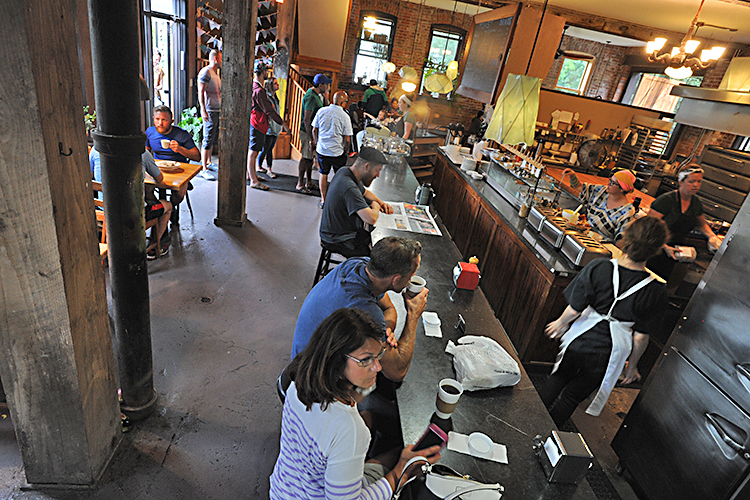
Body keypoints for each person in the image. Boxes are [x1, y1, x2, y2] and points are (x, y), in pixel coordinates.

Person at [271, 308, 440, 499]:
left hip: (284, 489)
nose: (378, 366)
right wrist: (401, 472)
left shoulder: (301, 379)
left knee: (378, 430)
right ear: (336, 361)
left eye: (378, 355)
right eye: (366, 360)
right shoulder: (349, 429)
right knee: (405, 469)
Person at [289, 236, 427, 455]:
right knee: (393, 423)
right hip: (310, 380)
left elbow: (388, 309)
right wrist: (413, 315)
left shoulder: (359, 265)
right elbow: (397, 371)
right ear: (396, 279)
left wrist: (384, 331)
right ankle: (362, 453)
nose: (414, 279)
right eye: (412, 274)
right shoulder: (363, 305)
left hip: (303, 360)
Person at [539, 216, 670, 427]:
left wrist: (560, 323)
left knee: (558, 378)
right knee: (572, 397)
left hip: (580, 340)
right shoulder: (656, 290)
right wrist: (631, 367)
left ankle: (531, 419)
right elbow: (640, 338)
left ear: (626, 239)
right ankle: (547, 433)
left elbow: (574, 309)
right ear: (656, 249)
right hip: (609, 354)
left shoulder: (599, 267)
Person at [90, 148, 173, 259]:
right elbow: (159, 179)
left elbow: (91, 174)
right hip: (133, 216)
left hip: (103, 212)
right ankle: (153, 248)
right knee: (168, 206)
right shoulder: (141, 152)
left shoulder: (96, 150)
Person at [646, 163, 722, 282]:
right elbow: (648, 227)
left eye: (699, 181)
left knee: (660, 283)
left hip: (675, 250)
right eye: (691, 181)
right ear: (681, 181)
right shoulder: (665, 200)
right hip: (654, 248)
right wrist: (665, 247)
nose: (696, 185)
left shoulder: (696, 203)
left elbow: (701, 224)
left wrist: (711, 236)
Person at [320, 147, 393, 258]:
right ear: (367, 166)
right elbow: (371, 218)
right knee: (375, 261)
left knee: (370, 239)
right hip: (336, 238)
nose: (378, 175)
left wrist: (381, 203)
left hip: (337, 231)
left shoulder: (346, 171)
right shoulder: (348, 186)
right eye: (377, 170)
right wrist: (376, 206)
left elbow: (365, 192)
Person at [561, 168, 637, 245]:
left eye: (612, 183)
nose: (608, 184)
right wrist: (572, 175)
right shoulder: (601, 191)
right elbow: (579, 187)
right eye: (610, 180)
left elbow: (621, 241)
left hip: (601, 244)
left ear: (622, 189)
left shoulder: (627, 211)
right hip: (582, 234)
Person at [247, 62, 289, 191]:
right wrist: (282, 123)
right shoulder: (259, 90)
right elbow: (269, 110)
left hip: (258, 122)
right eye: (267, 71)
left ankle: (251, 175)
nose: (268, 73)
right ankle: (253, 180)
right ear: (263, 72)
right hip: (258, 122)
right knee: (253, 152)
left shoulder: (257, 87)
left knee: (253, 151)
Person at [144, 105, 196, 207]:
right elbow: (145, 153)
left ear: (172, 121)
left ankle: (170, 211)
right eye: (157, 119)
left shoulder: (182, 134)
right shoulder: (150, 132)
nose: (160, 123)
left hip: (179, 171)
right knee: (145, 188)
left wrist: (180, 149)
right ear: (153, 119)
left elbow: (197, 156)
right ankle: (161, 209)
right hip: (158, 170)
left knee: (179, 193)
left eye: (164, 120)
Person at [313, 90, 353, 208]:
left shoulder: (322, 111)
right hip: (337, 152)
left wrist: (317, 143)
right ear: (343, 103)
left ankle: (324, 200)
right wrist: (345, 151)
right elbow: (347, 140)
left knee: (323, 173)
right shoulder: (345, 116)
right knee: (338, 176)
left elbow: (314, 130)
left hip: (322, 150)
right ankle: (336, 201)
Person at [297, 73, 331, 193]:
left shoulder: (318, 95)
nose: (327, 87)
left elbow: (326, 107)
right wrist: (311, 139)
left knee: (310, 158)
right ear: (320, 85)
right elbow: (307, 119)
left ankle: (309, 182)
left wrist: (326, 96)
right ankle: (300, 184)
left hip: (313, 131)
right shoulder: (311, 96)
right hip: (307, 131)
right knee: (305, 157)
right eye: (326, 84)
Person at [197, 49, 222, 181]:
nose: (222, 61)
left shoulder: (216, 74)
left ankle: (209, 162)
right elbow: (200, 91)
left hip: (216, 110)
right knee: (207, 138)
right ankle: (203, 169)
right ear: (216, 58)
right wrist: (203, 109)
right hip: (209, 109)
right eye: (221, 58)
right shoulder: (206, 72)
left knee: (212, 137)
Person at [256, 76, 282, 179]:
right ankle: (266, 168)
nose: (277, 85)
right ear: (270, 85)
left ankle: (262, 166)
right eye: (275, 83)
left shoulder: (275, 97)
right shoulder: (266, 96)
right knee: (267, 148)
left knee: (269, 148)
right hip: (269, 126)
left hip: (275, 127)